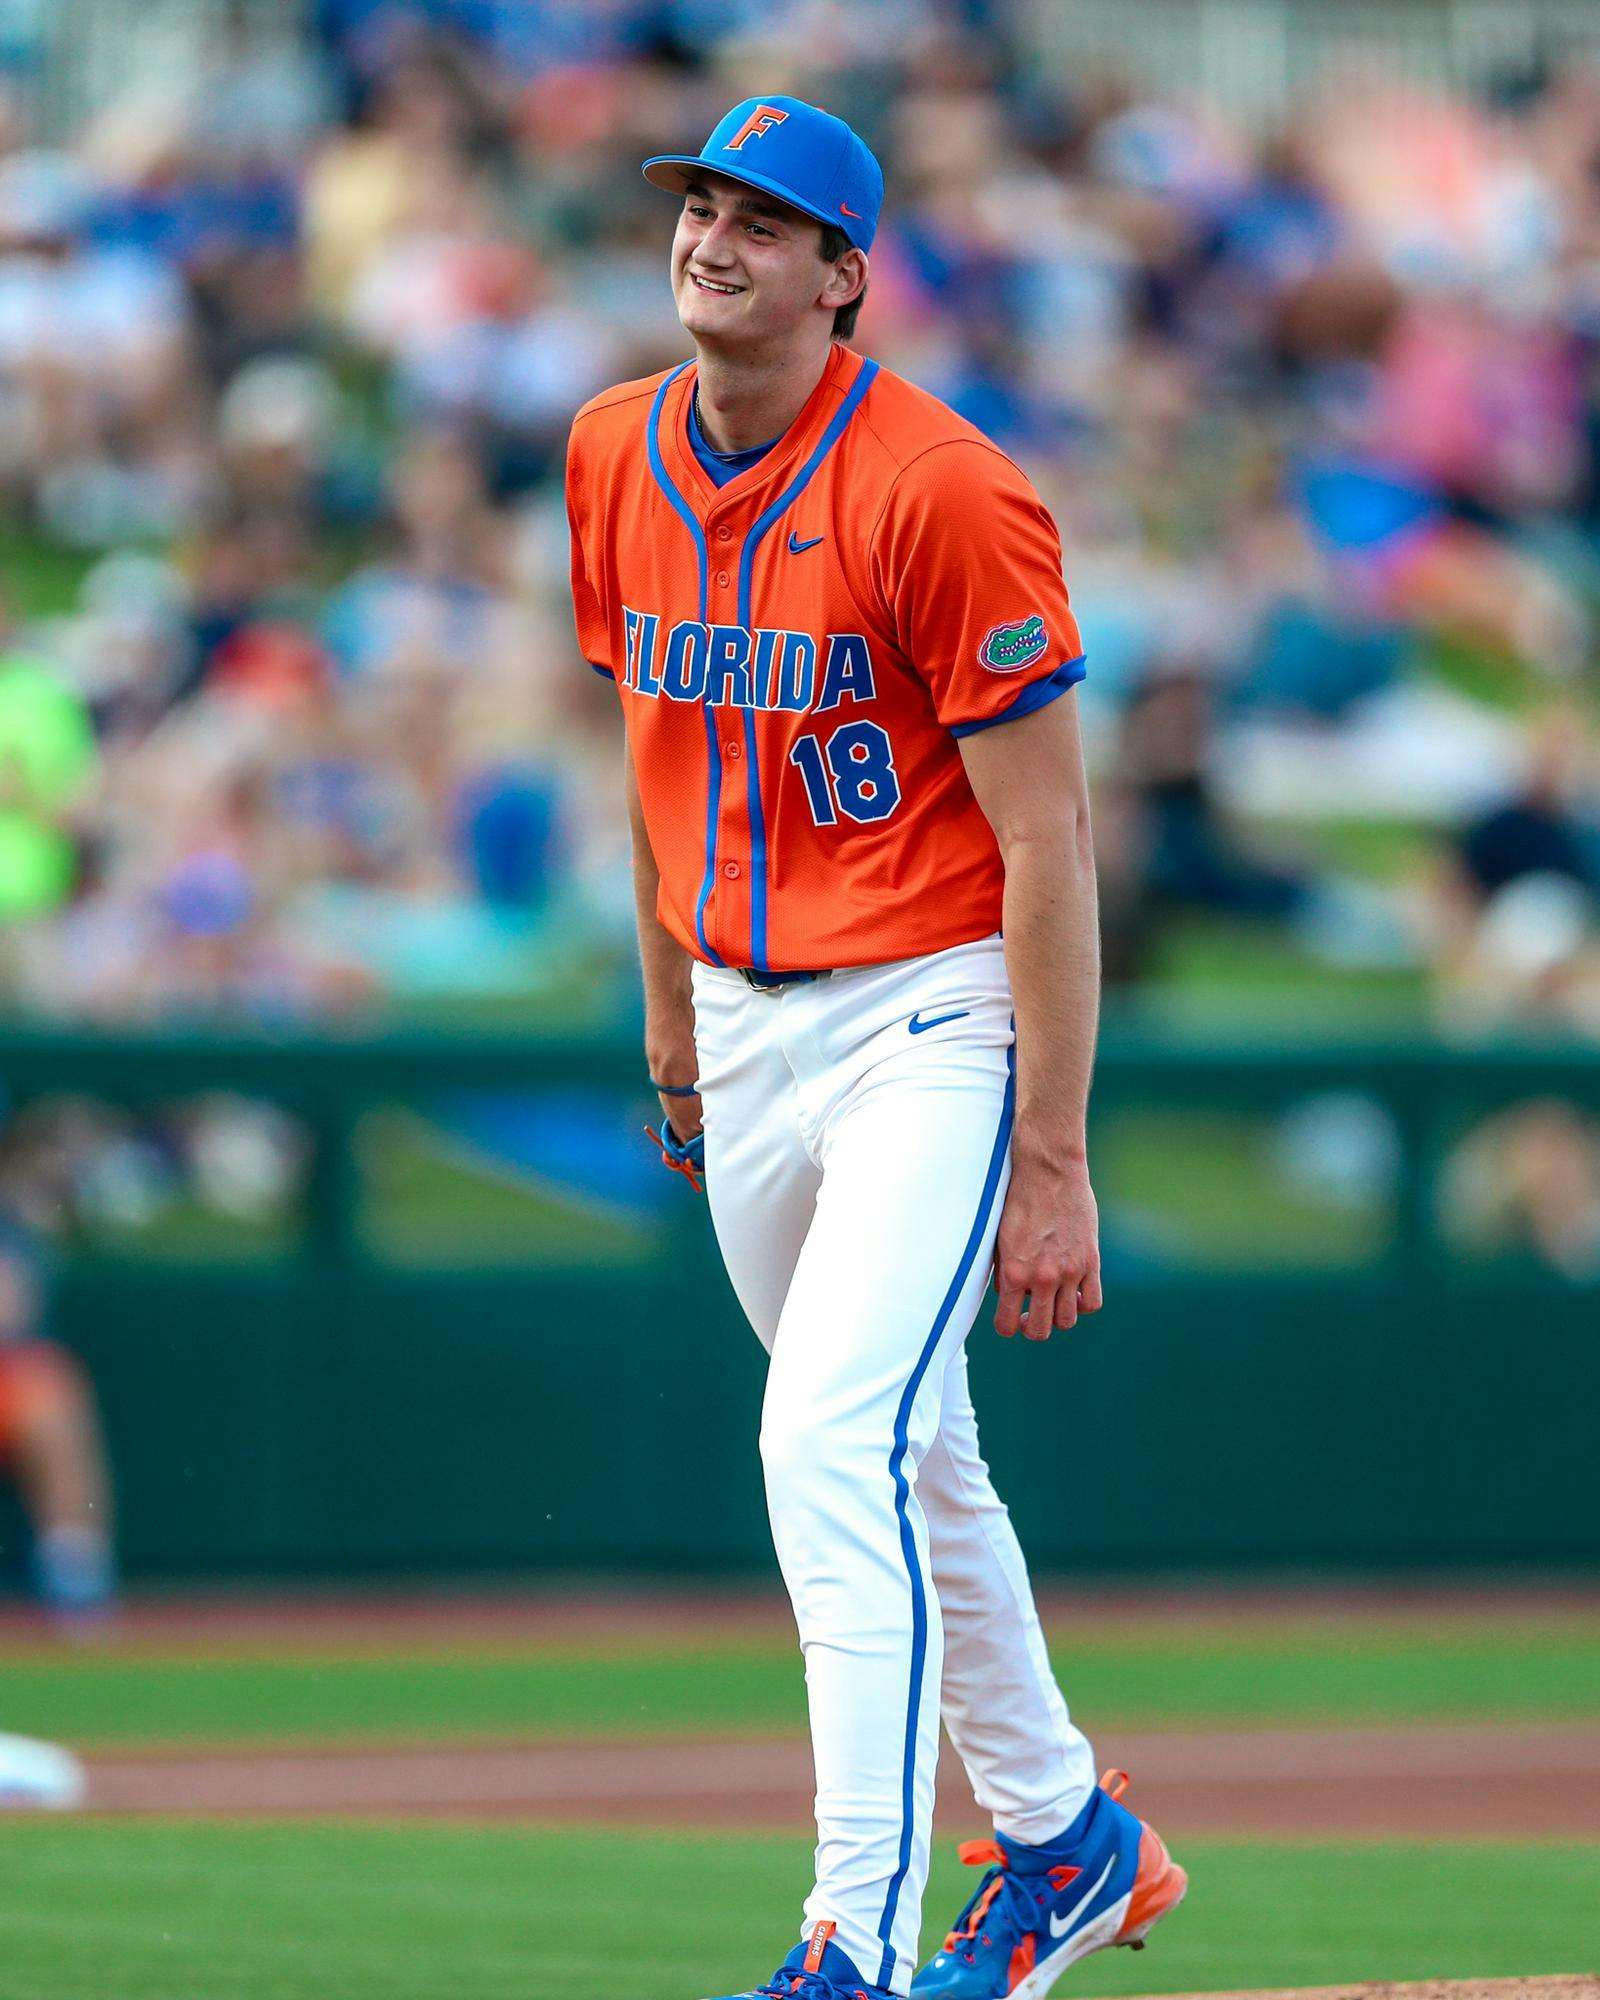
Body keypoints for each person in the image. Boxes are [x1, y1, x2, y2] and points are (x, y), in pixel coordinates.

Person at [565, 98, 1186, 2000]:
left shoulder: (942, 486)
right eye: (699, 206)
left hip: (930, 1008)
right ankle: (1070, 1838)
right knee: (912, 1457)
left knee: (826, 1440)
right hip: (744, 1017)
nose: (713, 239)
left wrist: (1056, 1155)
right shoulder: (607, 451)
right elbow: (656, 767)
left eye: (767, 220)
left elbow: (1050, 844)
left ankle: (857, 1943)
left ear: (848, 274)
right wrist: (672, 1023)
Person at [0, 1219, 117, 1625]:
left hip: (9, 1386)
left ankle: (73, 1572)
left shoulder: (8, 1231)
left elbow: (10, 1313)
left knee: (53, 1389)